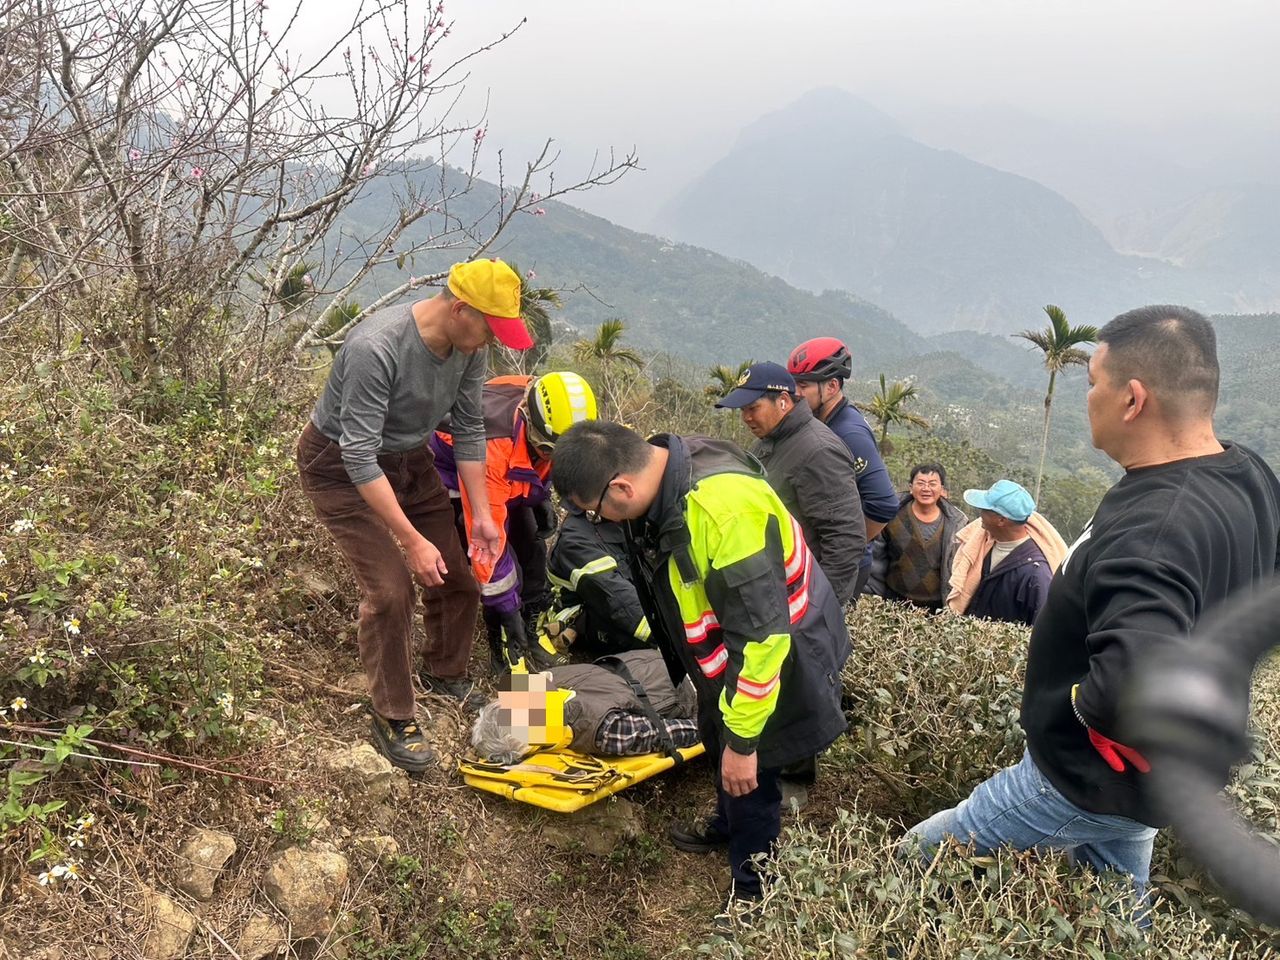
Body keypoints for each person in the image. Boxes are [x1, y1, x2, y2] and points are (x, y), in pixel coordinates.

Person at [904, 305, 1280, 916]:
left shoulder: (1153, 527)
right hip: (1148, 784)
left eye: (1092, 384)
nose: (1090, 400)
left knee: (916, 857)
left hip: (1078, 779)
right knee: (1116, 911)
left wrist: (1079, 707)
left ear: (1132, 399)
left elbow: (1127, 686)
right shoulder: (1248, 474)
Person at [551, 421, 850, 907]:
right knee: (716, 735)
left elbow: (763, 638)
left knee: (752, 771)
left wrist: (744, 742)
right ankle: (727, 822)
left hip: (779, 652)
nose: (598, 521)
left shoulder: (724, 513)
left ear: (621, 486)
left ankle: (754, 890)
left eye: (596, 510)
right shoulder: (666, 469)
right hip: (725, 651)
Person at [296, 259, 531, 773]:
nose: (493, 340)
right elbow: (358, 457)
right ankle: (392, 715)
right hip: (339, 465)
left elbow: (469, 427)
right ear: (460, 308)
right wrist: (410, 540)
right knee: (390, 590)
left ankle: (445, 671)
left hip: (410, 460)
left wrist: (485, 516)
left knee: (460, 580)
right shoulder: (376, 348)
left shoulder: (468, 348)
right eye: (490, 327)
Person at [431, 371, 597, 672]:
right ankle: (504, 642)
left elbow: (541, 461)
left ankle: (528, 633)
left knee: (532, 554)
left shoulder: (548, 404)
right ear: (528, 420)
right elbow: (487, 548)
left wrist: (540, 495)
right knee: (499, 570)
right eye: (549, 451)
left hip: (510, 471)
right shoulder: (491, 449)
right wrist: (507, 609)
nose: (555, 460)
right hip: (458, 474)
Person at [714, 361, 866, 605]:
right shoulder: (769, 440)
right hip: (774, 591)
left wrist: (818, 607)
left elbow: (845, 539)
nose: (746, 418)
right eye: (743, 410)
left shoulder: (819, 451)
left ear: (783, 400)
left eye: (753, 408)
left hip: (802, 600)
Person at [788, 337, 899, 597]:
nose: (795, 392)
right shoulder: (823, 422)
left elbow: (884, 504)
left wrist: (846, 547)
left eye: (803, 384)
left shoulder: (849, 432)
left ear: (832, 386)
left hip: (842, 566)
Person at [470, 649, 699, 762]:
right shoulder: (542, 680)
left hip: (688, 690)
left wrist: (712, 726)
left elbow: (664, 734)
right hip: (658, 658)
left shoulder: (598, 729)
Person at [947, 479, 1068, 626]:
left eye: (985, 510)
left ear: (1001, 520)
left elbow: (1039, 628)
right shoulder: (984, 545)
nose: (980, 515)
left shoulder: (1035, 574)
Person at [547, 507, 655, 658]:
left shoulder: (622, 517)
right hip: (589, 614)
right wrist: (666, 634)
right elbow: (615, 598)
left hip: (624, 598)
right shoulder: (576, 541)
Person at [868, 463, 967, 610]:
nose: (926, 489)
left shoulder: (957, 523)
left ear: (942, 489)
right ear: (910, 487)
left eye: (932, 484)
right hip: (895, 601)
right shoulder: (892, 516)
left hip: (938, 606)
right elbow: (876, 557)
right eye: (920, 483)